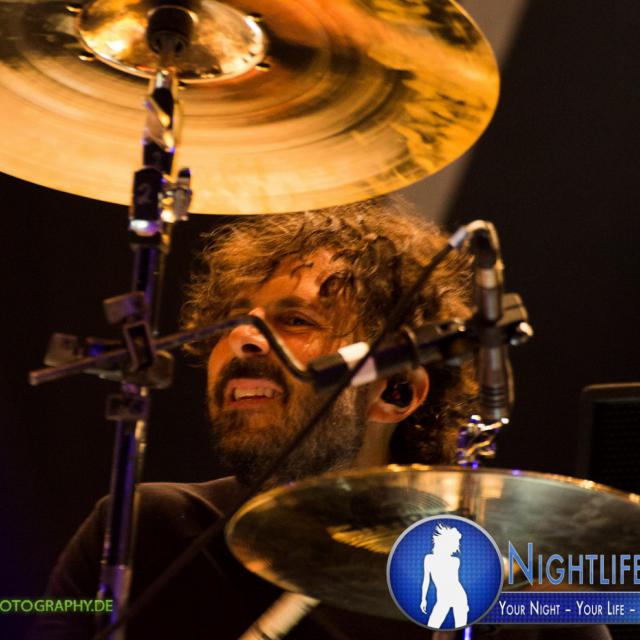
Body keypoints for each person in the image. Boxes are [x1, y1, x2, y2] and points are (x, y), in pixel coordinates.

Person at [31, 198, 610, 640]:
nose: (242, 339)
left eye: (297, 321)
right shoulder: (146, 527)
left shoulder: (515, 589)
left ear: (397, 393)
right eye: (232, 320)